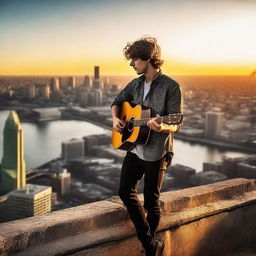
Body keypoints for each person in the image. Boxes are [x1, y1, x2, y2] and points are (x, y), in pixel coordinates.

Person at [111, 36, 183, 256]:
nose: (131, 64)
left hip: (156, 151)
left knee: (152, 202)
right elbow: (116, 102)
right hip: (134, 147)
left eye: (134, 59)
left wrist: (160, 127)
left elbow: (176, 123)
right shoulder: (135, 84)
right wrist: (116, 120)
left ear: (147, 58)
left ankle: (148, 248)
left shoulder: (171, 86)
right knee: (125, 192)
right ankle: (151, 243)